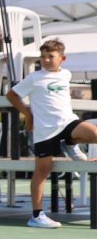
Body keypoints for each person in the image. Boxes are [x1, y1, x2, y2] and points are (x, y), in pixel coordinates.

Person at [6, 38, 95, 228]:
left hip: (68, 122)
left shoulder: (66, 75)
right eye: (43, 56)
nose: (46, 60)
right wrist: (27, 114)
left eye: (50, 56)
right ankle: (37, 216)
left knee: (94, 133)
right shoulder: (34, 78)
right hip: (45, 131)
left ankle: (70, 143)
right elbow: (11, 95)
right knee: (42, 171)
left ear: (62, 58)